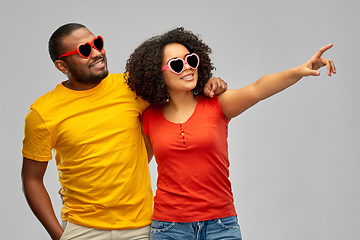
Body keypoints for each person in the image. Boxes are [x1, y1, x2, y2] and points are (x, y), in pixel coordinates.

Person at [125, 27, 336, 240]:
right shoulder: (149, 118)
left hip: (220, 225)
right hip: (169, 228)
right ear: (157, 75)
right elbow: (136, 169)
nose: (187, 67)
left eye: (191, 59)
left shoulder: (217, 104)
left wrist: (299, 70)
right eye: (177, 64)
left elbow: (257, 89)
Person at [21, 23, 227, 240]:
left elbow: (179, 101)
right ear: (62, 66)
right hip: (82, 228)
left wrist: (208, 85)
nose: (97, 53)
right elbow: (31, 180)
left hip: (142, 227)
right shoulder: (43, 112)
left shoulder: (131, 87)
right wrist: (58, 235)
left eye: (97, 43)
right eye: (84, 50)